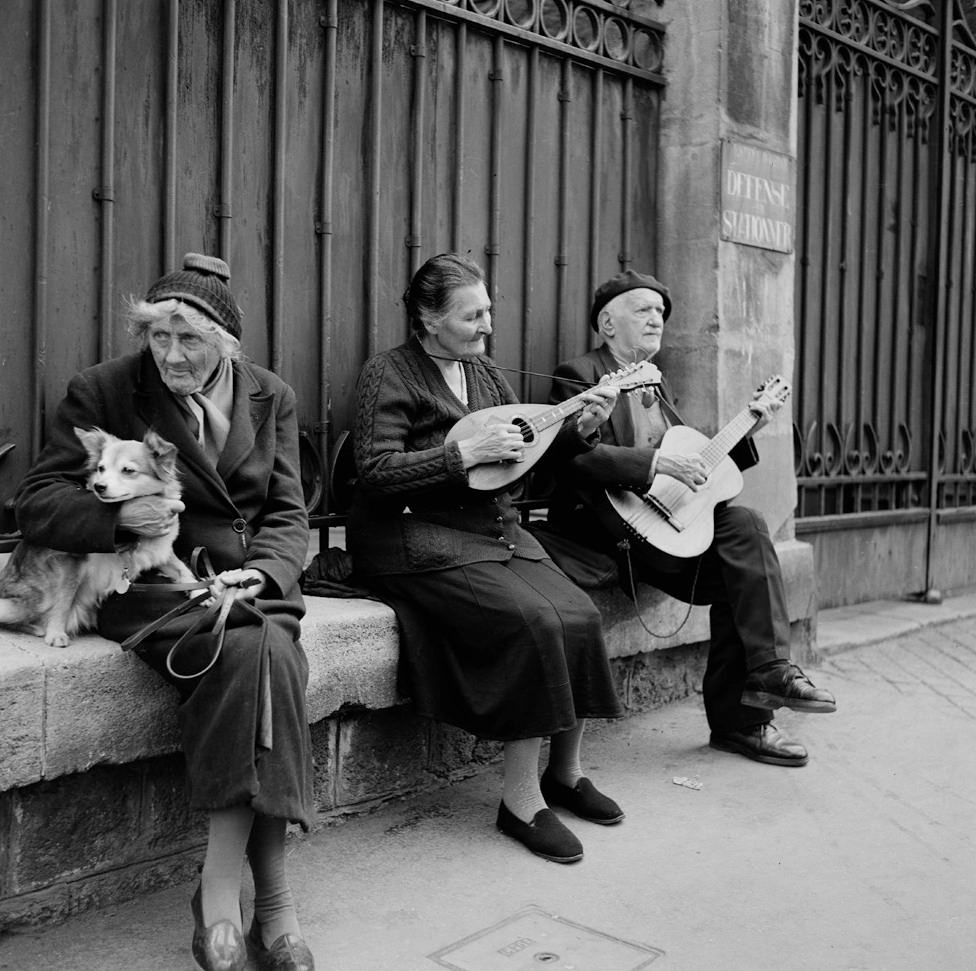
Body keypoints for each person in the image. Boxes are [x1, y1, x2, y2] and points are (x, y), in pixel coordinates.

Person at [14, 254, 315, 971]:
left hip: (245, 579)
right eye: (158, 339)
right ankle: (262, 902)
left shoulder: (271, 395)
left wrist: (263, 570)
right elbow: (36, 500)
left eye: (190, 340)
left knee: (259, 640)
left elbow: (289, 511)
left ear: (228, 344)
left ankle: (230, 903)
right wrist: (122, 519)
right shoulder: (104, 389)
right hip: (145, 580)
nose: (171, 355)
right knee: (264, 650)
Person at [348, 253, 625, 864]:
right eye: (472, 316)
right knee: (533, 620)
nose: (486, 327)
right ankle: (520, 800)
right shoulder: (388, 373)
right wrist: (461, 455)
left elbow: (526, 456)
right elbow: (373, 473)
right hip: (412, 536)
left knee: (578, 613)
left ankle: (565, 772)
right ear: (427, 318)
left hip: (490, 529)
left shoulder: (488, 376)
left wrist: (580, 428)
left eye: (488, 312)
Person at [545, 269, 836, 768]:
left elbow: (692, 469)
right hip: (606, 534)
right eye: (643, 310)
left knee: (744, 528)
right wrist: (653, 464)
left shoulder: (658, 385)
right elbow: (572, 458)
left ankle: (762, 685)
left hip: (665, 532)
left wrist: (747, 429)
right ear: (607, 324)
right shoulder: (578, 375)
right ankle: (745, 716)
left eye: (661, 312)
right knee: (739, 571)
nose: (657, 319)